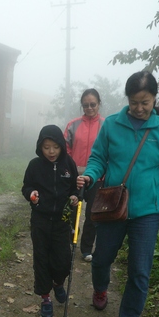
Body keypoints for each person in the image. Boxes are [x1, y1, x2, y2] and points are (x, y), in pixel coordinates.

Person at [76, 71, 159, 317]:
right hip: (112, 206)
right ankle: (100, 289)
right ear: (127, 100)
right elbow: (99, 158)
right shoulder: (112, 125)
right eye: (134, 102)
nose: (139, 108)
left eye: (145, 102)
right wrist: (89, 174)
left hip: (147, 211)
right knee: (101, 259)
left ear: (154, 99)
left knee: (140, 269)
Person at [22, 125, 78, 317]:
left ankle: (58, 283)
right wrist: (31, 194)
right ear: (40, 147)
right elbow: (26, 187)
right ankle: (45, 298)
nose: (51, 151)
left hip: (62, 221)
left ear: (62, 146)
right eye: (46, 147)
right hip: (40, 221)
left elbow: (75, 188)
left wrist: (74, 196)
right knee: (42, 259)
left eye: (55, 146)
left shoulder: (68, 165)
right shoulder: (34, 165)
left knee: (63, 259)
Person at [64, 89, 105, 262]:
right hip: (76, 178)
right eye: (86, 105)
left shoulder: (106, 125)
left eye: (93, 104)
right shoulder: (73, 125)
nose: (89, 108)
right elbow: (65, 150)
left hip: (98, 178)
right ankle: (68, 244)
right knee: (72, 211)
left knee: (92, 215)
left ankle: (86, 249)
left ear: (99, 104)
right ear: (82, 105)